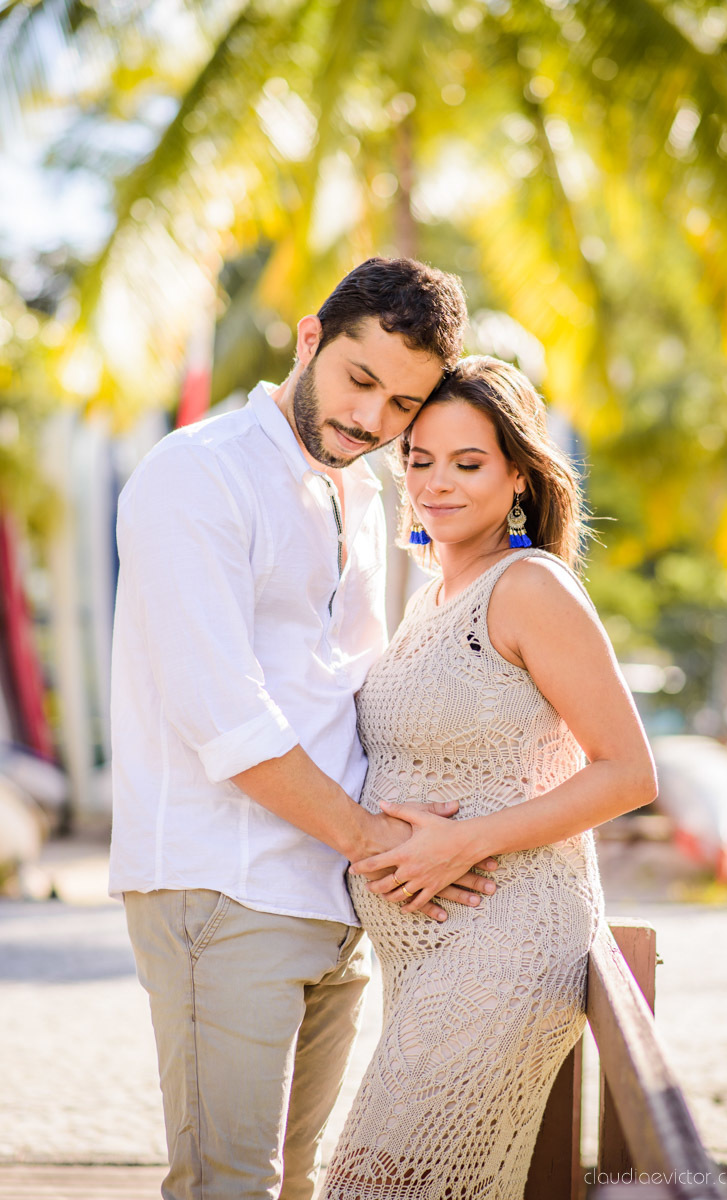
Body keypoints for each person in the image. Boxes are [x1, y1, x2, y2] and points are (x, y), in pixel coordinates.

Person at [109, 257, 498, 1200]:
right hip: (224, 886)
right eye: (361, 381)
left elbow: (349, 690)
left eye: (403, 405)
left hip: (332, 895)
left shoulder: (355, 495)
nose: (372, 421)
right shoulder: (196, 475)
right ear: (310, 339)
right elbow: (226, 715)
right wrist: (375, 842)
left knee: (295, 1184)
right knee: (227, 1184)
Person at [322, 356, 657, 1200]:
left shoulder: (528, 586)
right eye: (420, 460)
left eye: (466, 463)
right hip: (429, 957)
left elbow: (628, 772)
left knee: (377, 1186)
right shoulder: (434, 595)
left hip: (505, 938)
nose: (436, 483)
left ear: (516, 474)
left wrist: (460, 844)